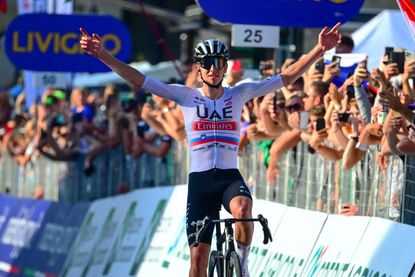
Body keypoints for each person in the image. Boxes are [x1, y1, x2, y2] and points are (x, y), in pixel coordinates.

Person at [79, 23, 342, 277]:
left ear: (225, 67)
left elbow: (286, 77)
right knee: (198, 262)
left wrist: (319, 50)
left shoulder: (239, 94)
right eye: (207, 63)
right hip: (200, 183)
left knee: (243, 209)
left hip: (229, 177)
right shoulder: (185, 96)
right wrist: (103, 54)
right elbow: (138, 79)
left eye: (219, 63)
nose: (213, 69)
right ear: (199, 68)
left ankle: (242, 261)